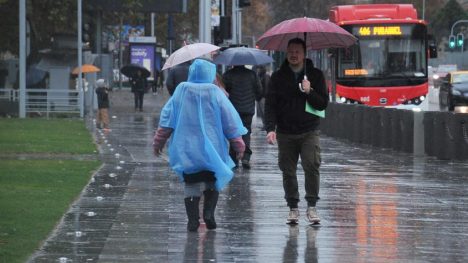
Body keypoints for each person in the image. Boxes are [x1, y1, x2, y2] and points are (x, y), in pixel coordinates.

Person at [153, 59, 247, 232]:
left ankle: (192, 219)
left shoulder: (181, 90)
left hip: (186, 147)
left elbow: (167, 120)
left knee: (191, 182)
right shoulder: (215, 92)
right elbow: (230, 121)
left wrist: (158, 142)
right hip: (213, 147)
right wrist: (238, 144)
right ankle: (209, 213)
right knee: (212, 180)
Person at [264, 38, 328, 225]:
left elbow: (323, 103)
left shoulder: (315, 75)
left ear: (304, 54)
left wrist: (310, 91)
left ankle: (312, 206)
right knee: (288, 171)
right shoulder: (277, 76)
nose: (293, 55)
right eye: (290, 51)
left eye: (297, 51)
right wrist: (270, 128)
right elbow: (270, 105)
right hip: (285, 132)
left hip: (309, 130)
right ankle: (293, 207)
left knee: (312, 165)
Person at [222, 65, 262, 169]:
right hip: (248, 110)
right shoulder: (252, 74)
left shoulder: (228, 75)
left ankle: (233, 158)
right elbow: (259, 91)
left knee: (233, 133)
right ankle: (246, 157)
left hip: (233, 110)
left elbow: (223, 91)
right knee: (246, 132)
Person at [254, 65, 271, 129]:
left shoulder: (265, 76)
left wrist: (261, 96)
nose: (258, 70)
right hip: (259, 97)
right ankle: (265, 124)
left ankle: (266, 125)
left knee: (264, 112)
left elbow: (266, 88)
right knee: (261, 112)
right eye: (257, 69)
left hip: (263, 97)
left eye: (259, 69)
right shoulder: (259, 76)